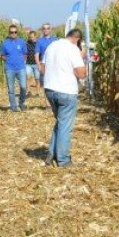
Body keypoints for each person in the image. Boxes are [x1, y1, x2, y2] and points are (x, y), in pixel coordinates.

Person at [40, 28, 86, 167]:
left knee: (61, 122)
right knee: (65, 126)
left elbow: (42, 69)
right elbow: (81, 74)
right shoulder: (73, 49)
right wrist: (81, 57)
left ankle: (51, 154)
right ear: (77, 39)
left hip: (50, 90)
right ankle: (63, 160)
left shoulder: (51, 46)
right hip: (66, 91)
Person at [0, 24, 28, 112]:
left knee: (23, 87)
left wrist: (21, 61)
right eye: (11, 32)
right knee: (11, 89)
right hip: (9, 68)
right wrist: (7, 60)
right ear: (9, 33)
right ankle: (13, 107)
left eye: (15, 32)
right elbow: (2, 55)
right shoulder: (5, 43)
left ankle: (21, 102)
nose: (13, 34)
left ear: (17, 32)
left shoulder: (22, 42)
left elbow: (25, 53)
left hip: (21, 68)